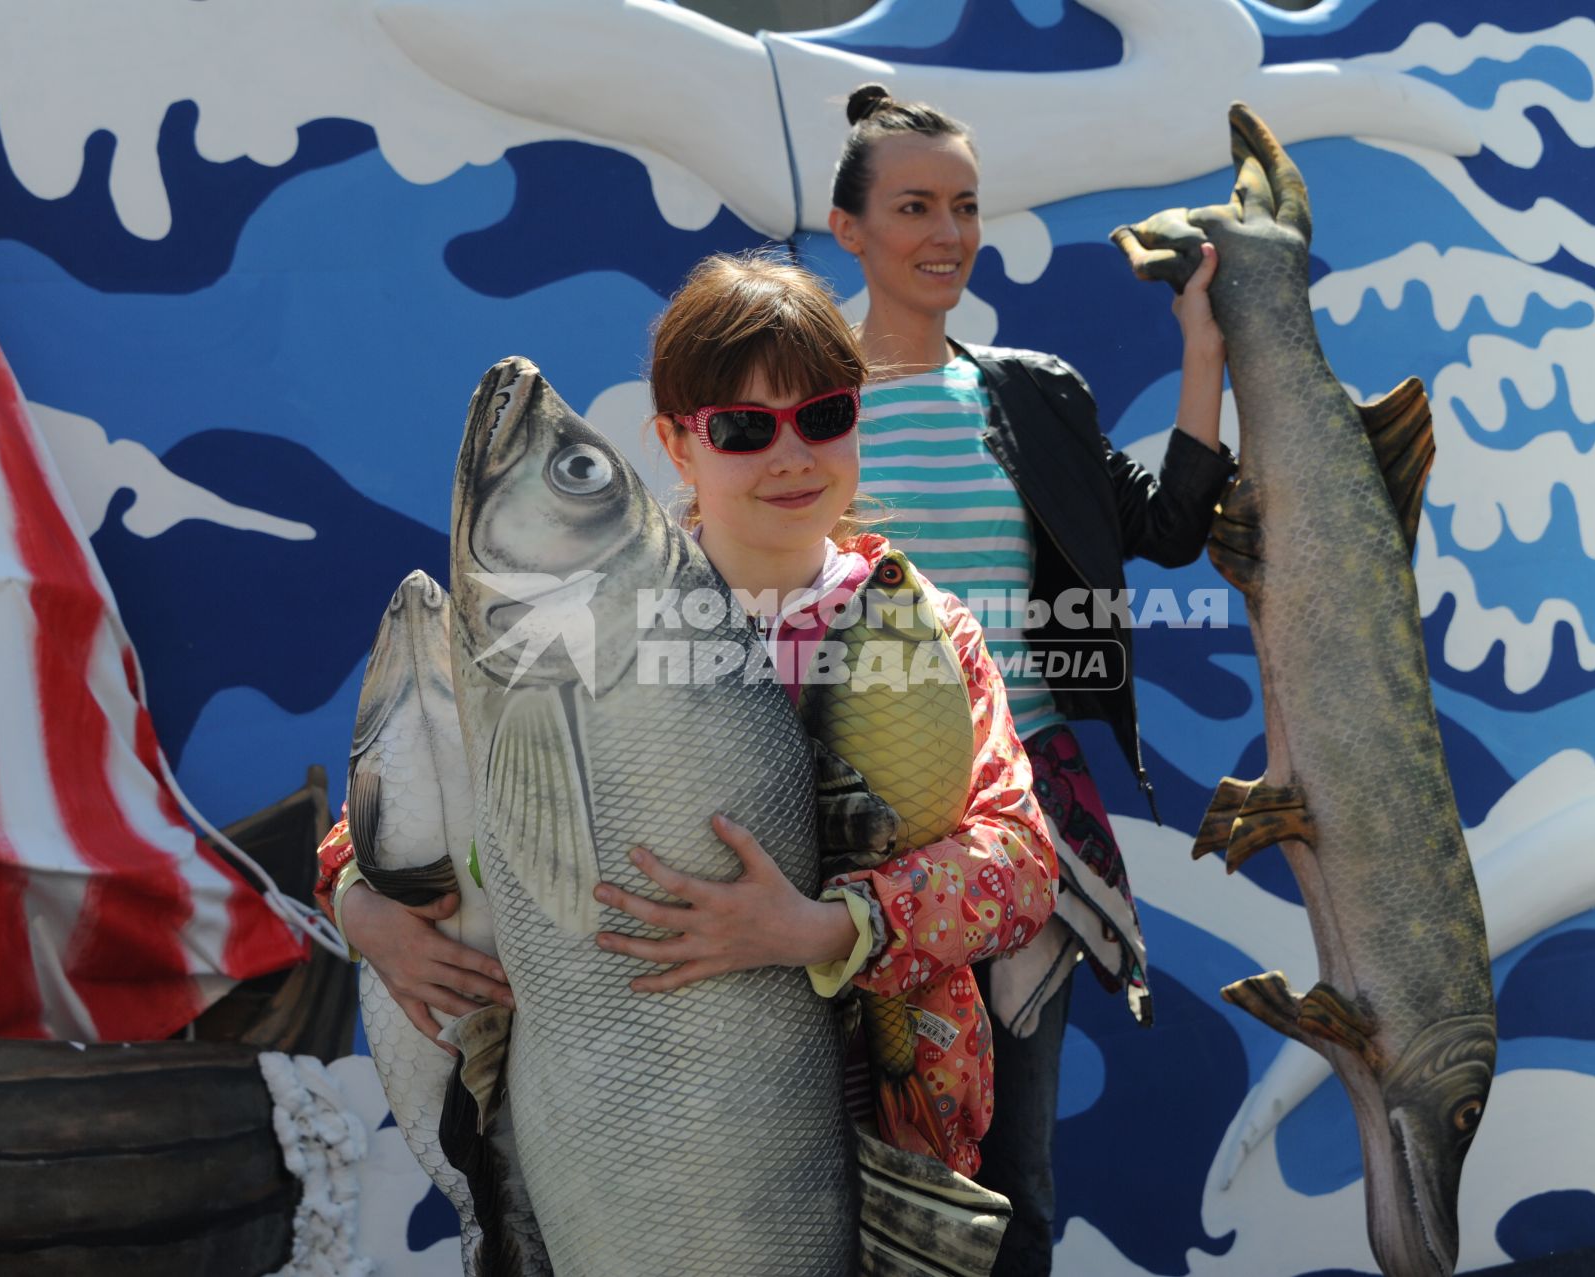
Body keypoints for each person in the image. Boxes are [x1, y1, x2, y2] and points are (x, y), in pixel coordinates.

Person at [314, 250, 1059, 1178]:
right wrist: (360, 905)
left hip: (881, 1139)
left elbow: (1021, 862)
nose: (791, 455)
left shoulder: (919, 624)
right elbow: (421, 796)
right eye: (745, 427)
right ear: (675, 443)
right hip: (621, 1110)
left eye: (823, 418)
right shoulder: (588, 628)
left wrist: (825, 926)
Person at [824, 84, 1235, 1274]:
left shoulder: (1032, 389)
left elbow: (1163, 527)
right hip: (848, 839)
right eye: (914, 206)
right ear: (848, 227)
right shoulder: (796, 410)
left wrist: (1201, 349)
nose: (947, 232)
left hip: (1020, 834)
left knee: (1013, 1178)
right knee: (857, 1162)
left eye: (964, 205)